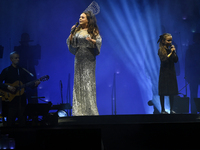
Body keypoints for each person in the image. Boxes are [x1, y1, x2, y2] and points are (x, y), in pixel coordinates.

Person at [66, 11, 102, 116]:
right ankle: (79, 111)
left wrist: (92, 41)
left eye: (82, 17)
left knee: (88, 83)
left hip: (89, 59)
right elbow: (70, 42)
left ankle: (90, 111)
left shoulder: (93, 30)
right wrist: (71, 32)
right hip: (79, 59)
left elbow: (99, 41)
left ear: (88, 19)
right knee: (79, 83)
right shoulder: (77, 30)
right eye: (80, 17)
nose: (80, 19)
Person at [0, 51, 40, 126]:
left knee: (23, 123)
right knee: (10, 123)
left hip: (22, 101)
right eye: (16, 58)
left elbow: (28, 84)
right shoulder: (6, 71)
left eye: (18, 58)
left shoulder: (22, 70)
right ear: (11, 59)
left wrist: (35, 84)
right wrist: (8, 87)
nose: (18, 59)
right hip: (10, 102)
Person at [157, 33, 178, 114]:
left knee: (171, 92)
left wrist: (174, 52)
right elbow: (164, 60)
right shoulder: (161, 50)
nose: (170, 42)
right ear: (163, 41)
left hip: (171, 73)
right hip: (164, 73)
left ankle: (171, 109)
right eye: (168, 40)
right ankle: (163, 109)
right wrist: (170, 53)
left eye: (171, 40)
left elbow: (176, 60)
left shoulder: (171, 50)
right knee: (163, 92)